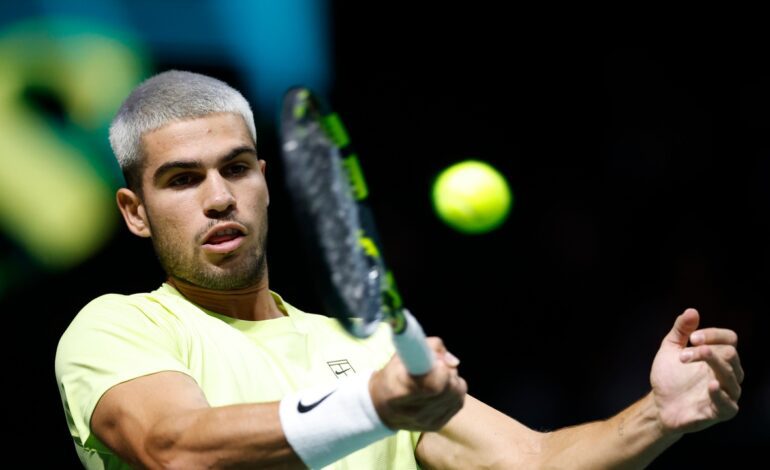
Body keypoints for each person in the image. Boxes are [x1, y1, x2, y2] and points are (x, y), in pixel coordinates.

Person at [55, 70, 744, 469]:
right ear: (135, 211)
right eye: (181, 180)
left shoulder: (370, 351)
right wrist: (370, 406)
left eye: (236, 168)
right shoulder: (118, 328)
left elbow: (535, 463)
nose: (218, 197)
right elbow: (173, 448)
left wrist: (662, 413)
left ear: (265, 181)